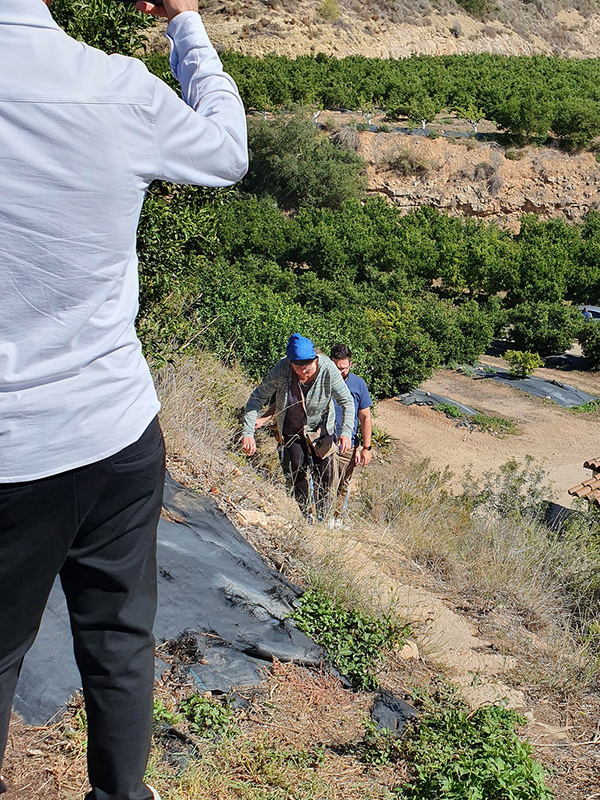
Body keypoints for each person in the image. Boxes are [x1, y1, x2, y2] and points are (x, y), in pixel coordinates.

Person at [0, 1, 247, 798]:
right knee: (119, 642)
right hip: (115, 431)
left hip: (12, 451)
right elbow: (228, 151)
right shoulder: (119, 89)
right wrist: (187, 21)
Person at [242, 335, 354, 521]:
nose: (303, 373)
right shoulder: (282, 368)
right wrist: (248, 433)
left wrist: (346, 432)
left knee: (324, 475)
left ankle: (323, 519)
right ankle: (306, 517)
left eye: (307, 368)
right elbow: (257, 398)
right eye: (297, 368)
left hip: (320, 428)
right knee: (297, 471)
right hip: (292, 428)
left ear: (315, 359)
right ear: (290, 363)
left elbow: (347, 402)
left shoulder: (327, 368)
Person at [330, 344, 373, 521]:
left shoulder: (358, 384)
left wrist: (366, 447)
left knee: (343, 483)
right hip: (323, 439)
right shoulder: (323, 379)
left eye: (344, 368)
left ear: (350, 364)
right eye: (336, 367)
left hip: (348, 443)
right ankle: (320, 516)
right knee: (325, 481)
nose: (340, 372)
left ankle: (338, 518)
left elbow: (365, 418)